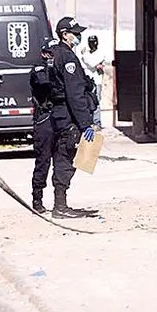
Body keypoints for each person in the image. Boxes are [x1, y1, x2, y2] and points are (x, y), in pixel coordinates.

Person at [48, 17, 99, 219]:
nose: (78, 36)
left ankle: (61, 203)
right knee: (65, 158)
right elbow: (74, 94)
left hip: (62, 114)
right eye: (74, 33)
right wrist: (86, 123)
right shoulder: (67, 58)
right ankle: (60, 206)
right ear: (64, 34)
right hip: (69, 117)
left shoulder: (59, 54)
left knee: (66, 156)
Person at [29, 37, 60, 213]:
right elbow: (44, 83)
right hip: (45, 118)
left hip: (60, 117)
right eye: (49, 53)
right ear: (43, 54)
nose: (52, 56)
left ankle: (59, 201)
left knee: (61, 160)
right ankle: (37, 198)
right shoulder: (39, 69)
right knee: (43, 160)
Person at [78, 34, 105, 127]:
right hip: (87, 81)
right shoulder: (86, 54)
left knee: (96, 101)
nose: (92, 44)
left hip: (97, 81)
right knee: (87, 101)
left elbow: (92, 63)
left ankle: (97, 122)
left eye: (93, 42)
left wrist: (84, 55)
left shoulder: (100, 53)